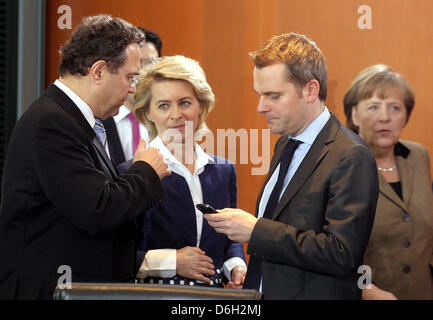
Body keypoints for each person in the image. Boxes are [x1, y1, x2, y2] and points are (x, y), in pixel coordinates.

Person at [0, 15, 170, 300]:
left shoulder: (71, 119)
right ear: (99, 71)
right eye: (130, 77)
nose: (133, 89)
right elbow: (98, 210)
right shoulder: (52, 122)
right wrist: (145, 171)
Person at [205, 33, 379, 299]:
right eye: (260, 95)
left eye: (273, 96)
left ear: (310, 90)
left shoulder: (351, 155)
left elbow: (341, 254)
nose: (261, 107)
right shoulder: (286, 142)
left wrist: (255, 230)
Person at [132, 55, 247, 288]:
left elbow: (229, 237)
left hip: (212, 298)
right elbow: (119, 254)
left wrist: (236, 265)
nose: (176, 115)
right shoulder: (132, 172)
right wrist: (172, 261)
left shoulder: (223, 171)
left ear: (201, 106)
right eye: (164, 105)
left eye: (185, 103)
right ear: (147, 114)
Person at [343, 64, 433, 300]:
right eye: (373, 107)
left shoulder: (419, 156)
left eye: (395, 107)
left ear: (405, 117)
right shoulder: (342, 167)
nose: (385, 117)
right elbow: (330, 251)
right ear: (354, 115)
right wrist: (366, 290)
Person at [103, 28, 163, 165]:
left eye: (151, 63)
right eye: (138, 62)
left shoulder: (166, 121)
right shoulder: (98, 122)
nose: (143, 71)